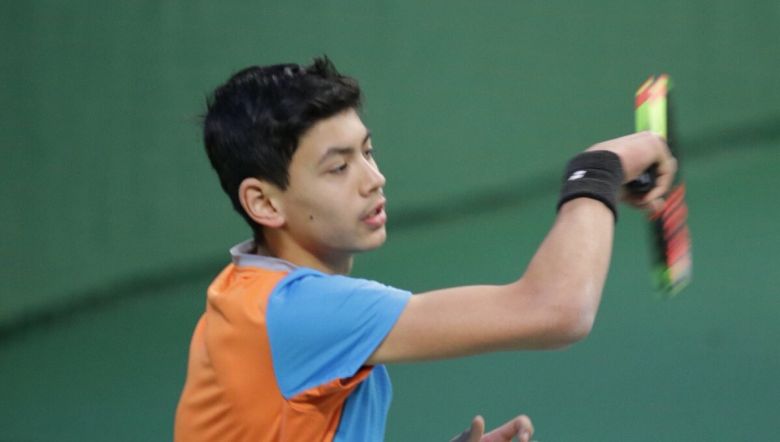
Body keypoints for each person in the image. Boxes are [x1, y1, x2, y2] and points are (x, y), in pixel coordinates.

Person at [174, 57, 676, 442]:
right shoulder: (297, 313)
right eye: (338, 167)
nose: (374, 179)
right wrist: (599, 167)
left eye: (367, 152)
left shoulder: (246, 296)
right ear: (264, 202)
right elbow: (557, 310)